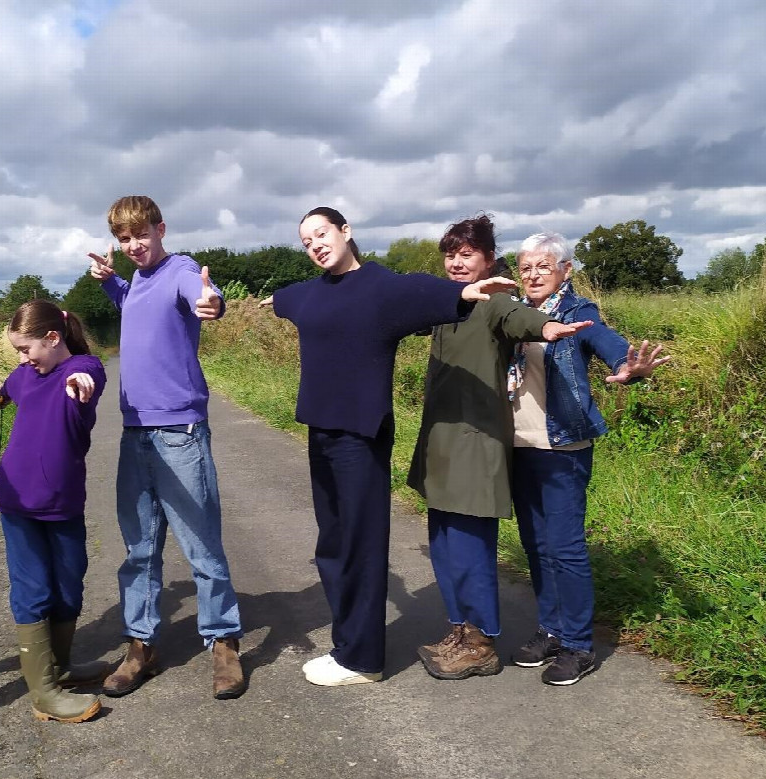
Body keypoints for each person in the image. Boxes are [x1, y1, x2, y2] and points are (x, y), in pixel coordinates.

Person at [266, 206, 519, 687]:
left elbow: (424, 292)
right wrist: (236, 299)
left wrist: (466, 291)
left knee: (360, 546)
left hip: (361, 436)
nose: (315, 244)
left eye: (322, 233)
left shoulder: (381, 287)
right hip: (321, 431)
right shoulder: (309, 294)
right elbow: (285, 298)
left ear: (345, 231)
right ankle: (347, 644)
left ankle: (362, 660)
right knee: (334, 544)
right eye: (306, 241)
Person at [406, 215, 590, 681]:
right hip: (440, 447)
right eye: (450, 254)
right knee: (445, 546)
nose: (456, 262)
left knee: (470, 549)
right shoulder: (448, 307)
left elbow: (517, 316)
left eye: (467, 253)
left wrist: (545, 327)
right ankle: (459, 630)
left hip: (474, 447)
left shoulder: (494, 301)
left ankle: (481, 642)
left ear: (489, 259)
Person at [86, 195, 246, 700]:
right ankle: (141, 645)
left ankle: (223, 642)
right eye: (124, 238)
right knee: (138, 550)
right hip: (135, 433)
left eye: (141, 235)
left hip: (179, 434)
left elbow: (205, 298)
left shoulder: (179, 271)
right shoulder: (135, 279)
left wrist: (212, 302)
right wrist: (111, 281)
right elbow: (137, 308)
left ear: (161, 229)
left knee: (201, 546)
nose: (133, 245)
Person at [505, 231, 669, 686]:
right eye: (526, 267)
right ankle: (551, 629)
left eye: (543, 265)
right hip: (517, 444)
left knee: (565, 546)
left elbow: (607, 343)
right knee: (535, 545)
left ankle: (578, 644)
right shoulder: (514, 312)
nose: (533, 274)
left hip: (562, 446)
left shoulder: (579, 313)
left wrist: (629, 366)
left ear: (565, 270)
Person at [0, 299, 109, 724]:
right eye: (17, 353)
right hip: (17, 500)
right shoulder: (25, 374)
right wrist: (1, 394)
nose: (23, 359)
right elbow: (12, 383)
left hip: (62, 501)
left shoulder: (82, 370)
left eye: (27, 349)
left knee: (70, 580)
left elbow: (87, 374)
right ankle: (44, 693)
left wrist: (78, 382)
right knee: (33, 589)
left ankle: (61, 668)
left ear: (53, 338)